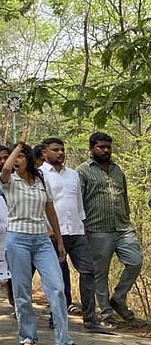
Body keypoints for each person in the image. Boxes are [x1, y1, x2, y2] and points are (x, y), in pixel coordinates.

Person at [0, 135, 86, 345]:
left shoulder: (40, 181)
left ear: (28, 159)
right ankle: (28, 336)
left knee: (57, 289)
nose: (15, 159)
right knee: (22, 291)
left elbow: (50, 211)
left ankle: (63, 339)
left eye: (20, 156)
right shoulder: (10, 181)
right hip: (17, 238)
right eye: (14, 156)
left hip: (41, 239)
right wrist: (18, 145)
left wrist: (59, 241)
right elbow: (6, 170)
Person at [41, 138, 115, 333]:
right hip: (53, 233)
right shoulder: (40, 175)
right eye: (55, 150)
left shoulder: (73, 175)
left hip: (76, 230)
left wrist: (82, 225)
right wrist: (47, 229)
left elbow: (78, 203)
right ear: (45, 153)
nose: (60, 153)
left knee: (88, 271)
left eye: (62, 150)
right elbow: (39, 204)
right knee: (59, 276)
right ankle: (57, 316)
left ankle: (90, 318)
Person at [76, 132, 143, 325]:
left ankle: (118, 298)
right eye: (101, 147)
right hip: (97, 229)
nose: (106, 150)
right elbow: (78, 201)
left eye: (108, 147)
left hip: (122, 227)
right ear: (91, 148)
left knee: (135, 262)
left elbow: (124, 196)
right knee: (100, 272)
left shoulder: (117, 169)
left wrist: (128, 219)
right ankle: (106, 313)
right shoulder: (83, 171)